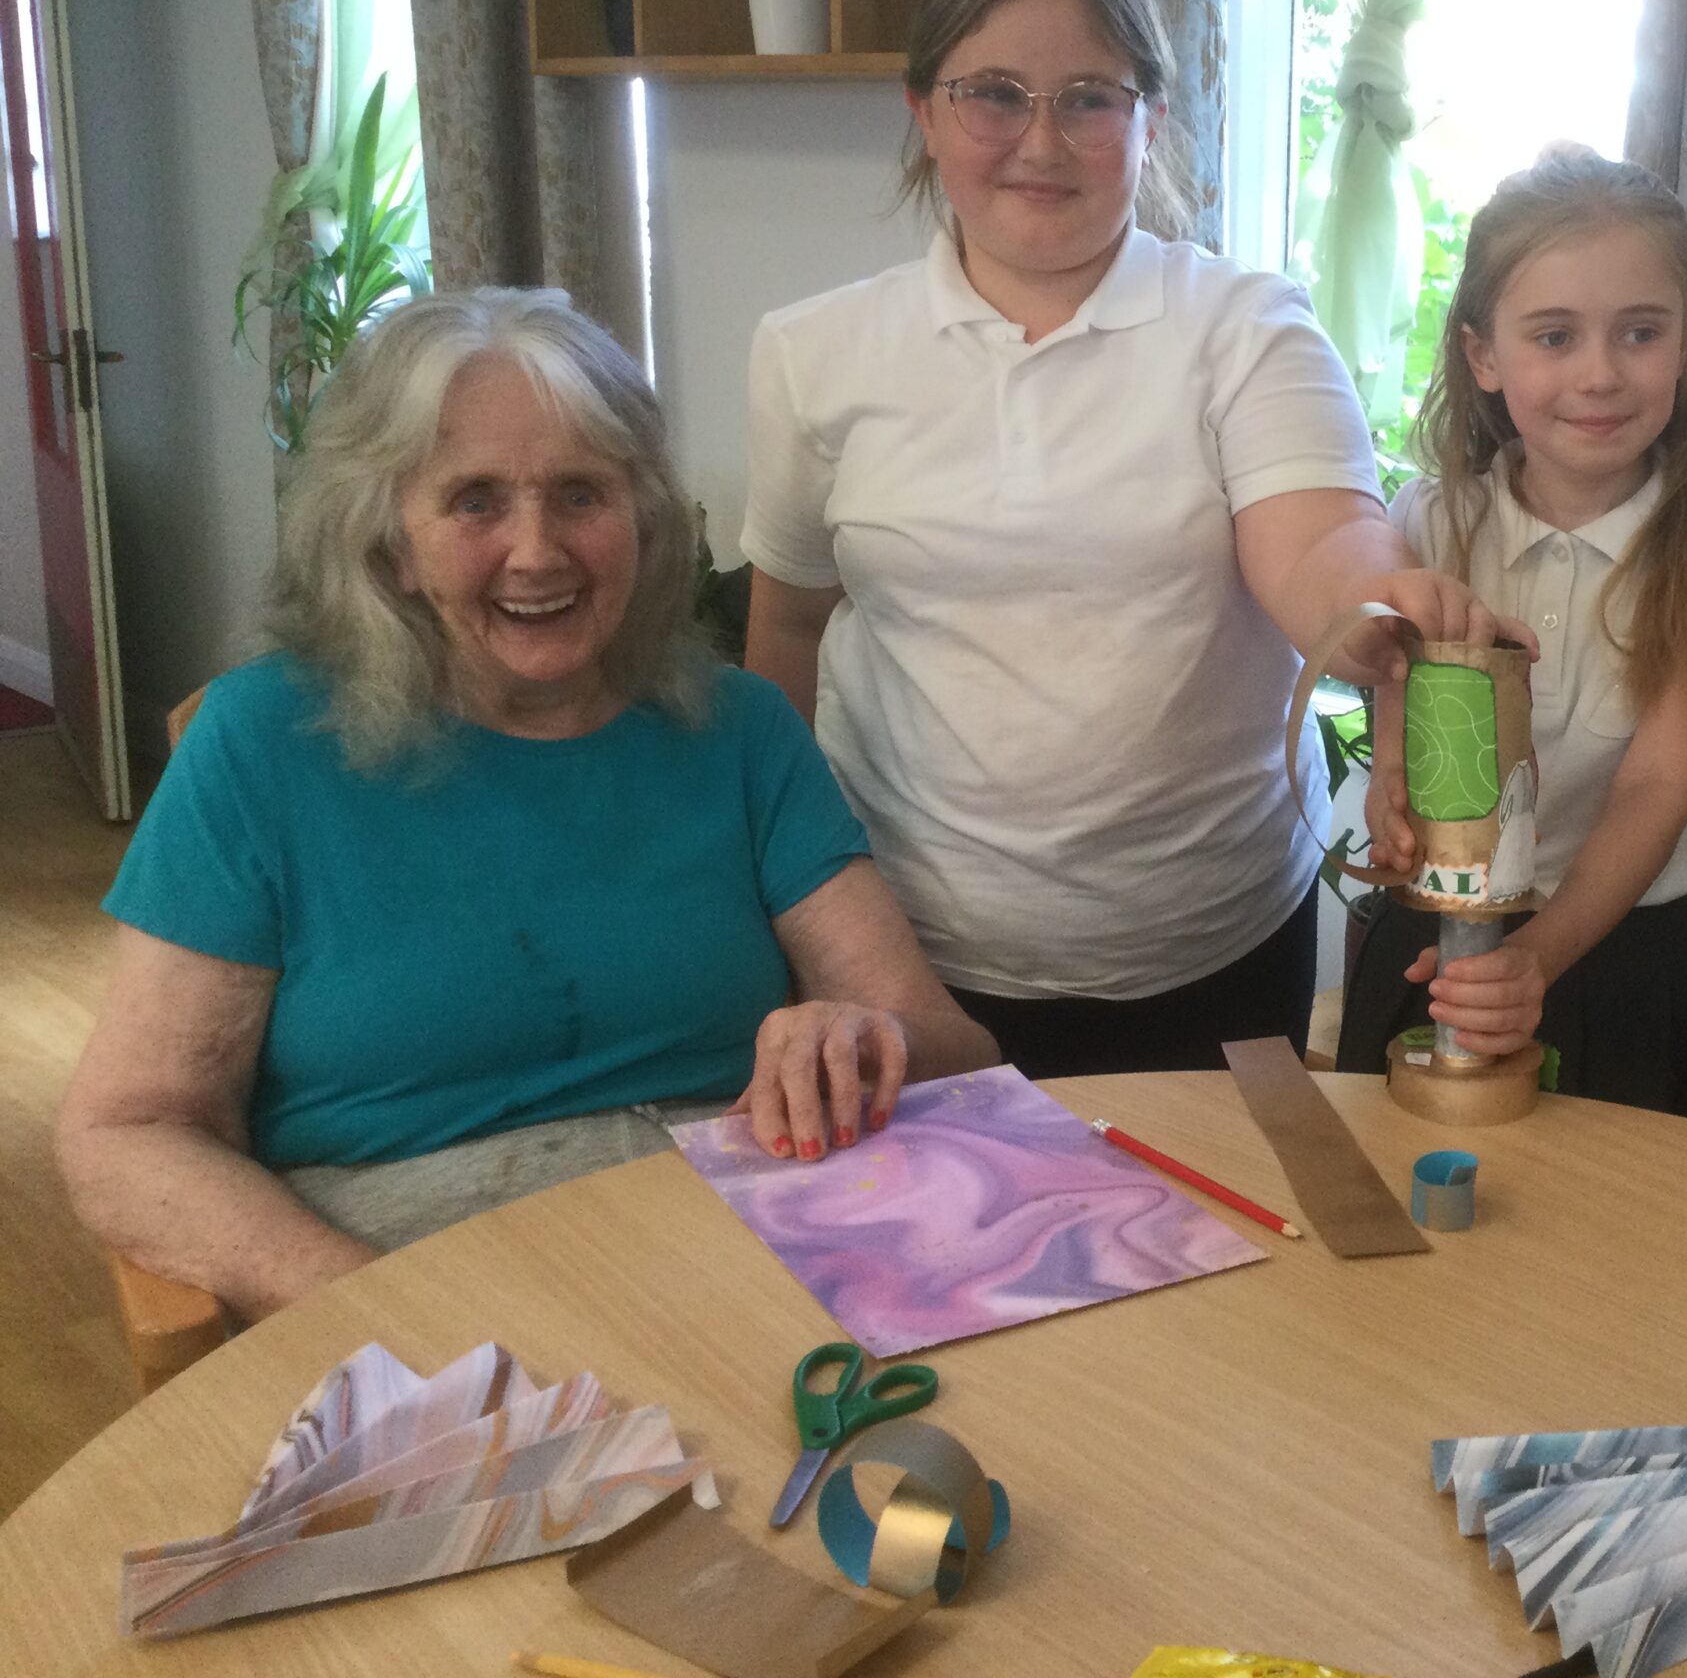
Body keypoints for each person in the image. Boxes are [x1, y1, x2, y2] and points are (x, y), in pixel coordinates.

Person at [55, 290, 996, 1319]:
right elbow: (130, 1130)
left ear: (642, 518)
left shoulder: (736, 728)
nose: (539, 551)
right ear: (390, 540)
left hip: (742, 1249)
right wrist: (370, 1311)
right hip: (402, 1262)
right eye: (475, 502)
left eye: (581, 495)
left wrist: (862, 1038)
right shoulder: (258, 744)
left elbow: (950, 1045)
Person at [740, 0, 1510, 1075]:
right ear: (923, 112)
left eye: (1089, 98)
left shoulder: (1245, 327)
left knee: (1228, 1250)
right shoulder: (814, 354)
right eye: (992, 92)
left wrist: (1378, 614)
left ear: (1149, 118)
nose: (1040, 141)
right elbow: (789, 626)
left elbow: (1314, 547)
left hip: (1215, 942)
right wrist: (787, 907)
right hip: (912, 954)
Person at [1339, 149, 1687, 1109]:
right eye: (1554, 337)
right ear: (1483, 355)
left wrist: (1535, 962)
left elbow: (1656, 785)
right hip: (1428, 935)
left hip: (1618, 954)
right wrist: (1392, 798)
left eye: (1639, 332)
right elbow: (1400, 715)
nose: (1600, 374)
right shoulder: (1429, 518)